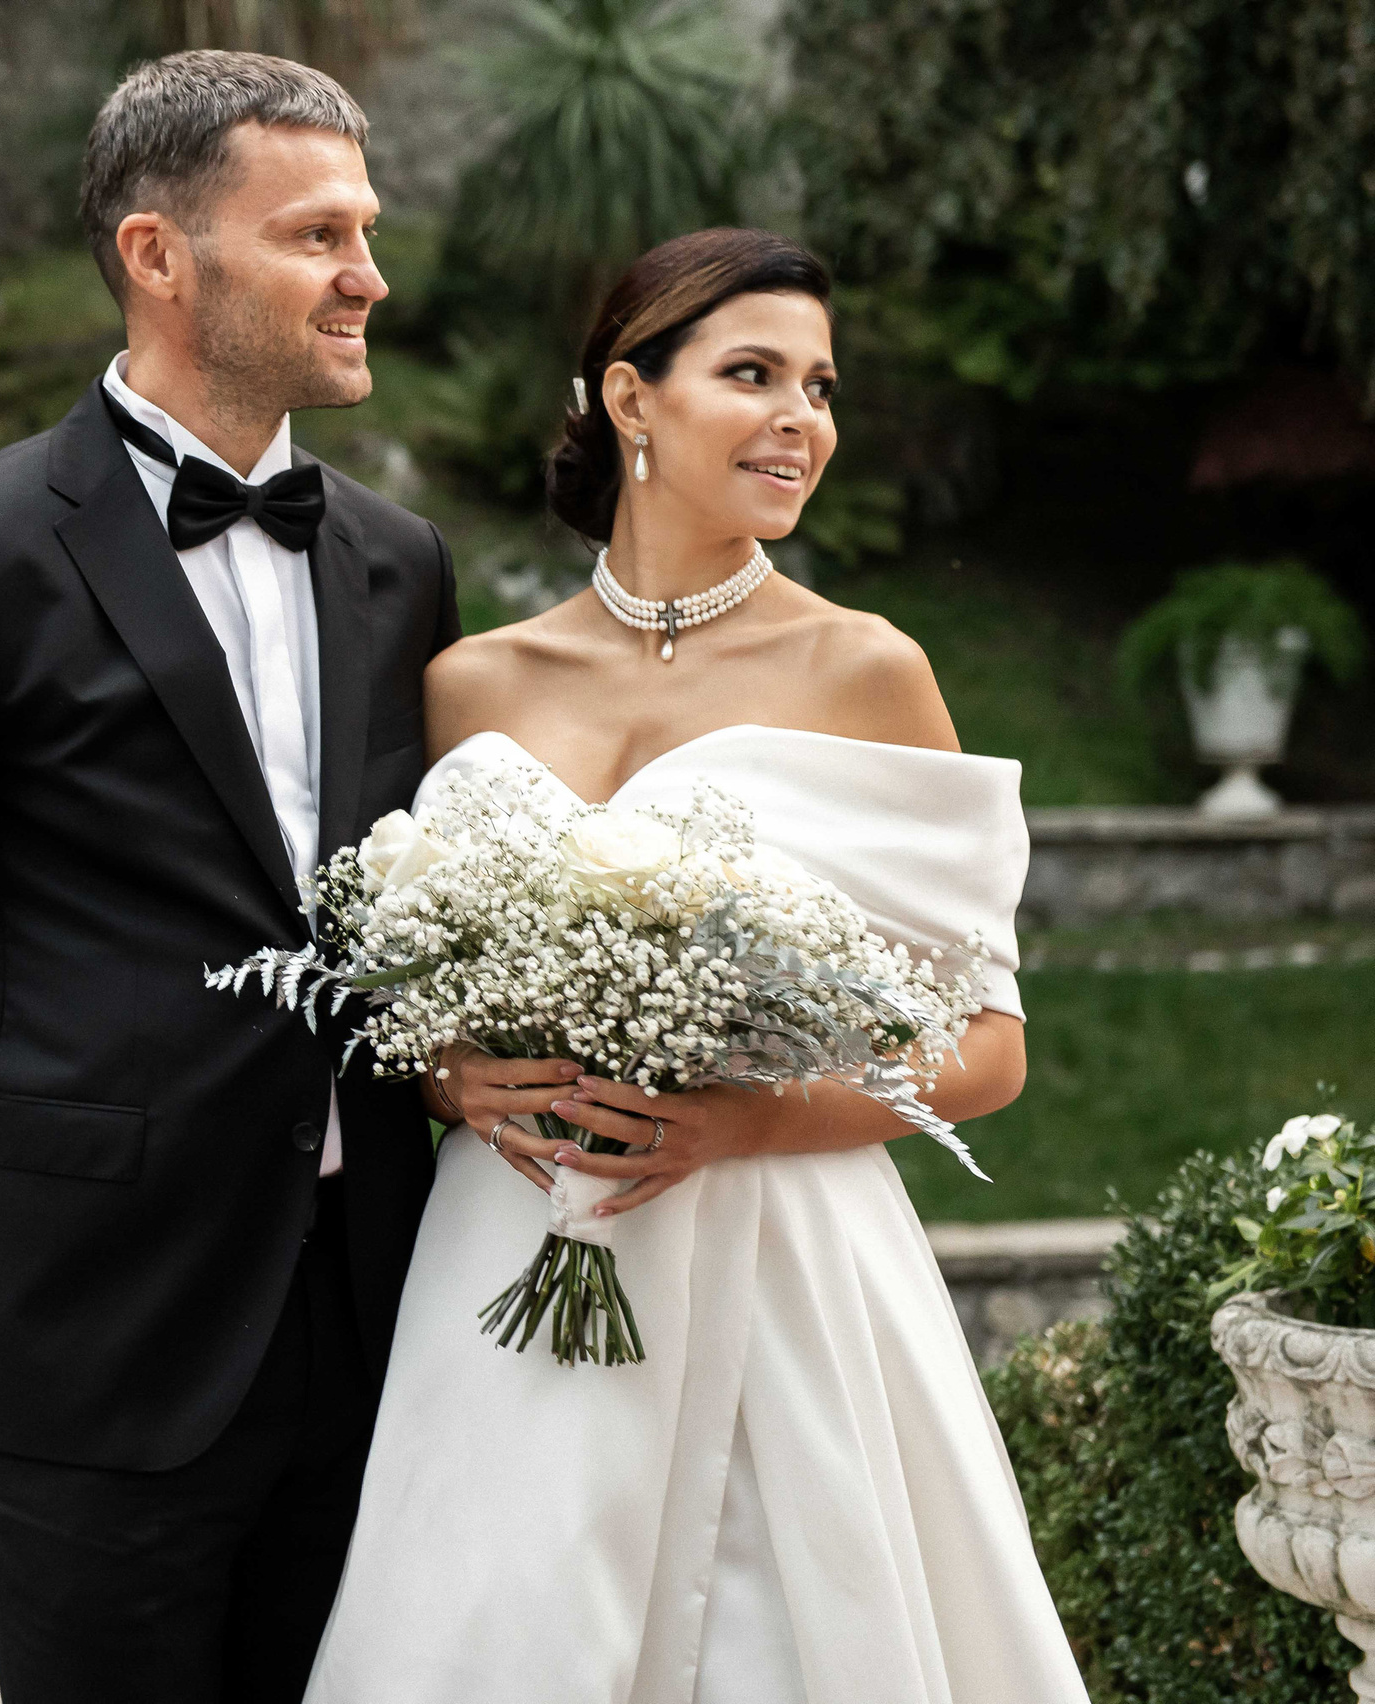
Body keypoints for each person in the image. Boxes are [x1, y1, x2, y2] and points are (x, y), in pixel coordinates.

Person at [0, 50, 463, 1704]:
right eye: (317, 238)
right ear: (160, 255)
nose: (370, 277)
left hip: (375, 1322)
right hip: (97, 1336)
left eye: (364, 231)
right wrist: (75, 1117)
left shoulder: (394, 559)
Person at [301, 227, 1090, 1702]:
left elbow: (988, 1047)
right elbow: (390, 991)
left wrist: (747, 1118)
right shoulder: (471, 682)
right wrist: (452, 1077)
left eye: (822, 385)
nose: (804, 420)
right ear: (631, 399)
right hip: (514, 1253)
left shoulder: (868, 670)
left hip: (782, 1255)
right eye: (754, 375)